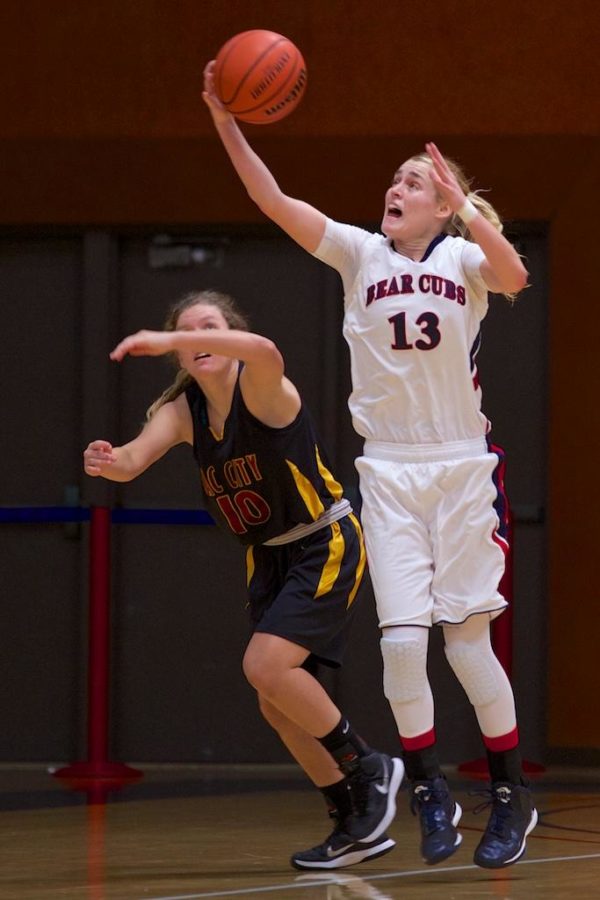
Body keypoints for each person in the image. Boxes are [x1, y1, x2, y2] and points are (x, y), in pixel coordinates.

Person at [202, 64, 538, 870]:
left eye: (415, 180)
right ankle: (426, 789)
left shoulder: (462, 260)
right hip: (386, 470)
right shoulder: (359, 253)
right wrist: (225, 119)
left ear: (442, 201)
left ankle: (509, 794)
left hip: (459, 468)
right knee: (396, 648)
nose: (398, 186)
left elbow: (518, 276)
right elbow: (271, 201)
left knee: (465, 648)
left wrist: (465, 210)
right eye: (396, 178)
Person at [83, 289, 403, 871]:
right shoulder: (184, 413)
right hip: (268, 556)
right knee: (276, 702)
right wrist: (108, 459)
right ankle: (353, 819)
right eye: (188, 334)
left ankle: (369, 766)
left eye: (210, 329)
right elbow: (132, 461)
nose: (199, 340)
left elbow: (263, 347)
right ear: (181, 361)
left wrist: (176, 335)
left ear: (227, 337)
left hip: (322, 539)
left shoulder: (261, 387)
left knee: (264, 666)